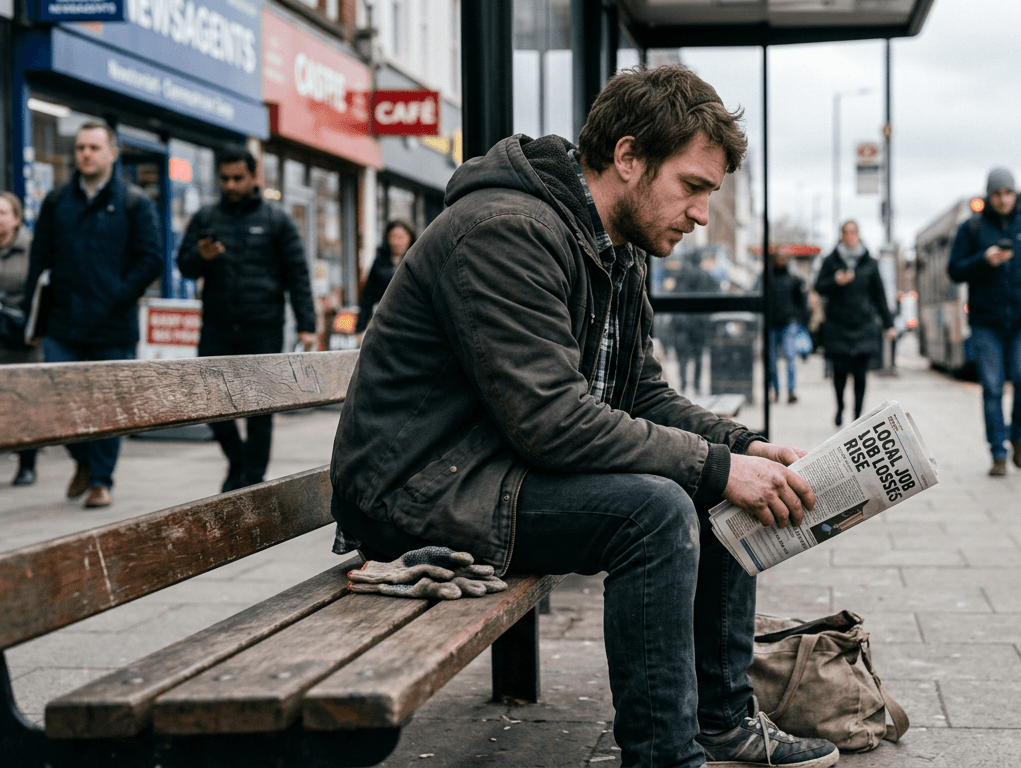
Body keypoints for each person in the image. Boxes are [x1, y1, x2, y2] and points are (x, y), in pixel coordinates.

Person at [329, 65, 839, 768]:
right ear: (628, 158)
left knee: (710, 484)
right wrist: (720, 468)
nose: (700, 215)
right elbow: (552, 419)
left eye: (710, 195)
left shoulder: (614, 250)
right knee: (657, 508)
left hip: (498, 472)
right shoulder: (503, 231)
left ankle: (721, 717)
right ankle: (664, 755)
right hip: (419, 491)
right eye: (692, 188)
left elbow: (642, 395)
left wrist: (742, 445)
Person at [24, 120, 163, 508]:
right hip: (62, 324)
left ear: (112, 154)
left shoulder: (134, 202)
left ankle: (101, 480)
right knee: (59, 407)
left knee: (107, 407)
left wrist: (118, 294)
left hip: (112, 325)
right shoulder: (57, 201)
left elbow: (150, 259)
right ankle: (82, 461)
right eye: (81, 147)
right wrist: (32, 311)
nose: (85, 153)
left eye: (94, 147)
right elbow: (40, 256)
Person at [176, 147, 316, 493]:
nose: (231, 185)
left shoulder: (276, 220)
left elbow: (296, 275)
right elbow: (184, 266)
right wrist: (199, 257)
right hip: (217, 327)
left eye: (238, 178)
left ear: (254, 177)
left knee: (259, 410)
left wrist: (307, 324)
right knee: (211, 404)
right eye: (224, 179)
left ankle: (252, 480)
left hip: (263, 327)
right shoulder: (206, 218)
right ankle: (237, 462)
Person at [946, 168, 1021, 477]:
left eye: (1008, 193)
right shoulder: (972, 228)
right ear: (989, 196)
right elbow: (954, 270)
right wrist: (984, 259)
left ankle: (1017, 434)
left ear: (1014, 194)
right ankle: (997, 453)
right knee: (992, 388)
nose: (1003, 198)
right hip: (986, 323)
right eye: (997, 194)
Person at [815, 221, 894, 426]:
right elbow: (819, 286)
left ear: (858, 234)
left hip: (863, 326)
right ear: (841, 235)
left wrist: (889, 324)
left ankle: (857, 416)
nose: (850, 236)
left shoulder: (870, 262)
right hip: (838, 326)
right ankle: (840, 406)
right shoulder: (831, 260)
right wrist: (835, 281)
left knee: (860, 374)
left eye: (853, 232)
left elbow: (880, 295)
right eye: (846, 232)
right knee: (839, 373)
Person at [0, 191, 39, 485]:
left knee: (24, 402)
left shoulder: (32, 249)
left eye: (2, 213)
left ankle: (27, 464)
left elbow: (43, 291)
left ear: (16, 218)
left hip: (21, 336)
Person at [759, 248, 808, 403]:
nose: (781, 260)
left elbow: (801, 302)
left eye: (784, 257)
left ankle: (791, 391)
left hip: (788, 323)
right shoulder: (767, 277)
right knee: (772, 361)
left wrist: (800, 320)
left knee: (790, 357)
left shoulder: (794, 279)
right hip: (772, 324)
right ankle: (776, 390)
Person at [671, 247, 719, 396]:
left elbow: (674, 298)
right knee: (698, 355)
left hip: (684, 323)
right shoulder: (707, 276)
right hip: (700, 322)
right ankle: (697, 385)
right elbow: (717, 293)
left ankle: (684, 385)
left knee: (683, 356)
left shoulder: (681, 276)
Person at [357, 219, 415, 333]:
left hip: (410, 320)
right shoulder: (379, 263)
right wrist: (360, 327)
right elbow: (368, 296)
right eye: (393, 236)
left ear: (410, 238)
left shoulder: (417, 261)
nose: (396, 242)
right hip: (384, 319)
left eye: (401, 237)